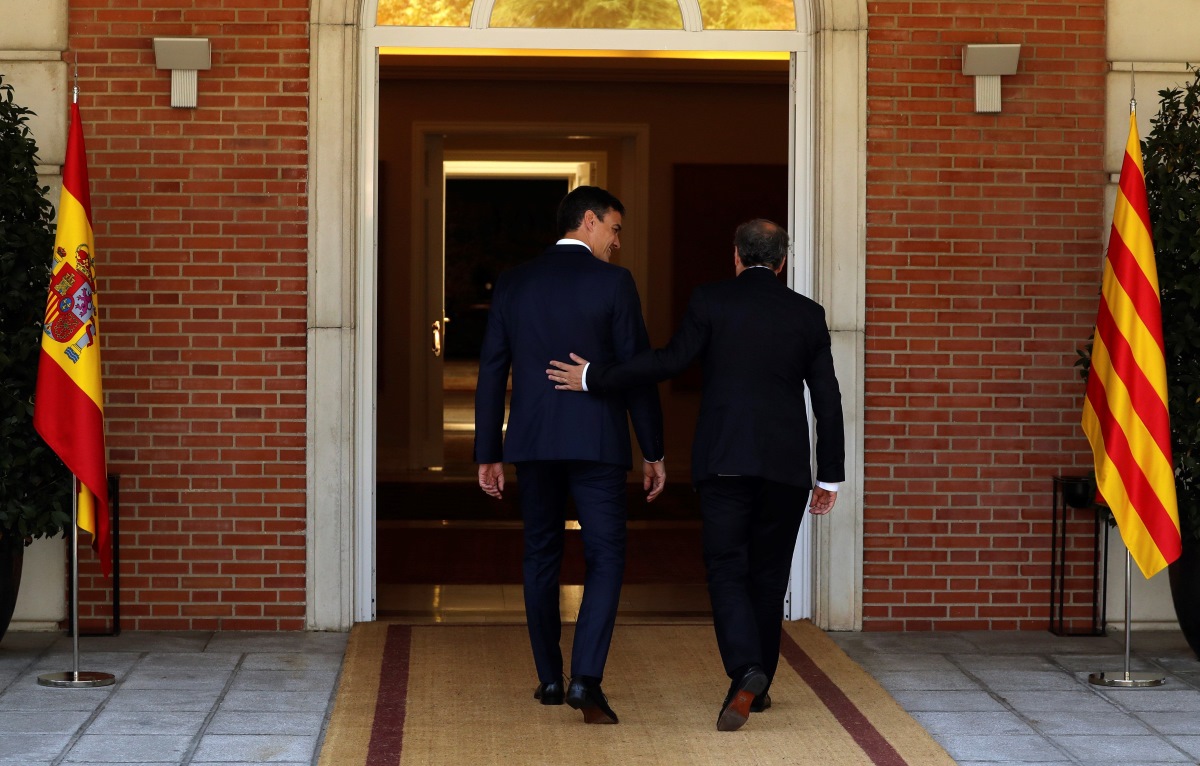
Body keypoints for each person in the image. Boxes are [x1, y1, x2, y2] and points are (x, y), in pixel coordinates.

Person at [546, 219, 844, 732]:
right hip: (786, 468)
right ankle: (759, 683)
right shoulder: (807, 314)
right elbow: (827, 399)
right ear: (782, 261)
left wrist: (594, 376)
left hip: (724, 461)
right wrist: (830, 476)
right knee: (769, 579)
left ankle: (746, 671)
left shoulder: (711, 301)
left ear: (735, 255)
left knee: (727, 569)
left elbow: (668, 362)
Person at [474, 185, 666, 725]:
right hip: (597, 444)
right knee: (606, 557)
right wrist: (652, 449)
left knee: (540, 555)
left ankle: (551, 678)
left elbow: (492, 371)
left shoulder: (515, 282)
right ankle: (586, 677)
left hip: (532, 444)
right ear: (588, 221)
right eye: (615, 229)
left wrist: (487, 451)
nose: (617, 242)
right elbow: (636, 370)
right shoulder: (613, 283)